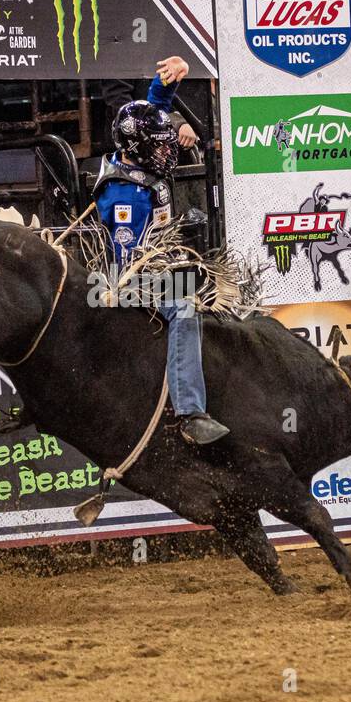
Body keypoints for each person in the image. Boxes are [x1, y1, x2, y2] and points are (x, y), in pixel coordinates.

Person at [93, 55, 229, 447]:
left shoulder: (139, 152)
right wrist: (180, 273)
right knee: (185, 306)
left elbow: (156, 106)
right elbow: (134, 264)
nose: (167, 150)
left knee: (212, 284)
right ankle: (190, 412)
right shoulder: (125, 196)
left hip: (158, 263)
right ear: (140, 148)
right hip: (128, 280)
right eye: (160, 145)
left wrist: (170, 79)